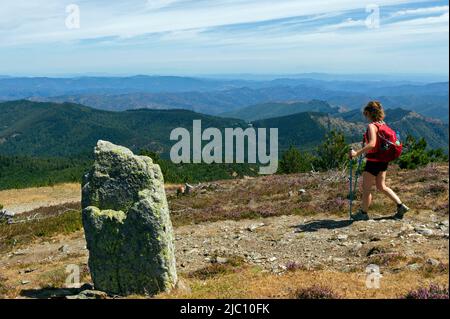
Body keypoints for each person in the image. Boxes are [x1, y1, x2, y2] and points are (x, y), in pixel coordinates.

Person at [349, 101, 409, 221]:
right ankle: (400, 205)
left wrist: (356, 153)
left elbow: (372, 144)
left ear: (369, 113)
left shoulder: (372, 126)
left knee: (366, 189)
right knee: (381, 186)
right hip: (383, 160)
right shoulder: (383, 124)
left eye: (365, 114)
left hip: (373, 161)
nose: (365, 116)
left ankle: (363, 213)